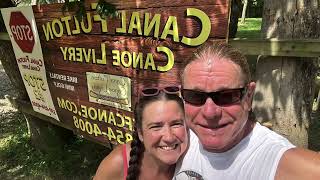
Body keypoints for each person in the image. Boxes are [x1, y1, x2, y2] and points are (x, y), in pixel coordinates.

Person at [174, 42, 320, 180]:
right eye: (195, 96)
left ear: (249, 96)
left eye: (227, 96)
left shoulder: (276, 160)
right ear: (182, 96)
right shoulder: (175, 139)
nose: (210, 112)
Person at [94, 87, 188, 180]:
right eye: (156, 127)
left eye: (176, 124)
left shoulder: (191, 156)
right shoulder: (117, 165)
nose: (169, 137)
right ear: (140, 133)